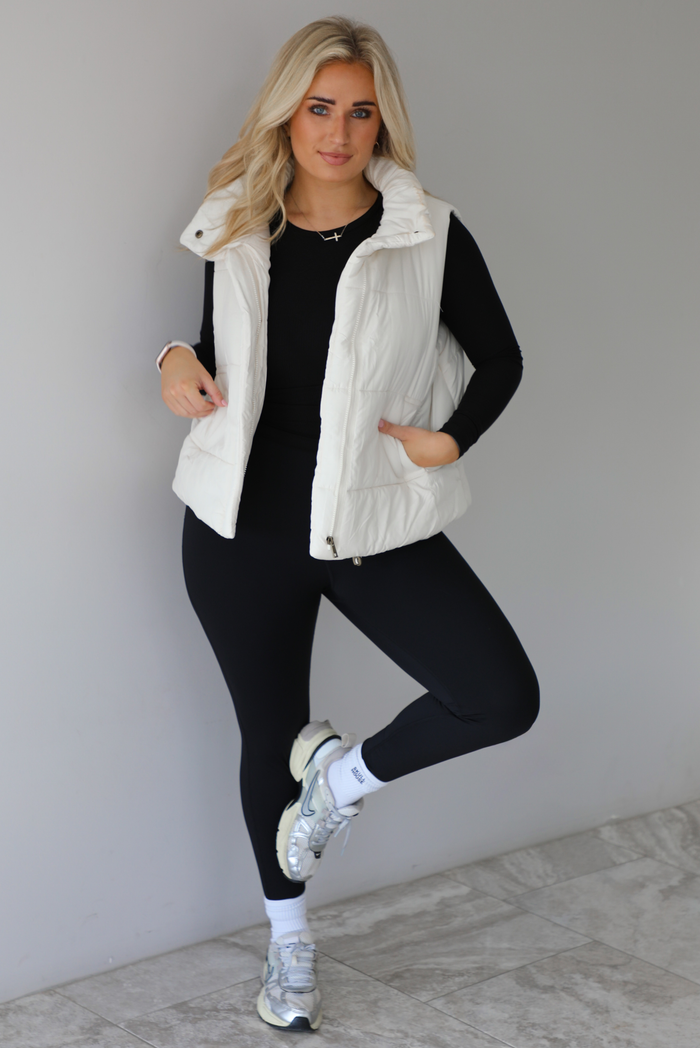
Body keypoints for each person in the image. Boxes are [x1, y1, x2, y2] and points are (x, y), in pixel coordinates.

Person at [159, 16, 539, 1032]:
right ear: (287, 113)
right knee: (264, 731)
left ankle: (343, 778)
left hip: (370, 517)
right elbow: (210, 346)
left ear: (383, 123)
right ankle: (289, 953)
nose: (337, 132)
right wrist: (170, 360)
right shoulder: (237, 219)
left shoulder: (427, 232)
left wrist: (448, 440)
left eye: (359, 111)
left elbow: (500, 359)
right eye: (319, 107)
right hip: (237, 527)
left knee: (499, 695)